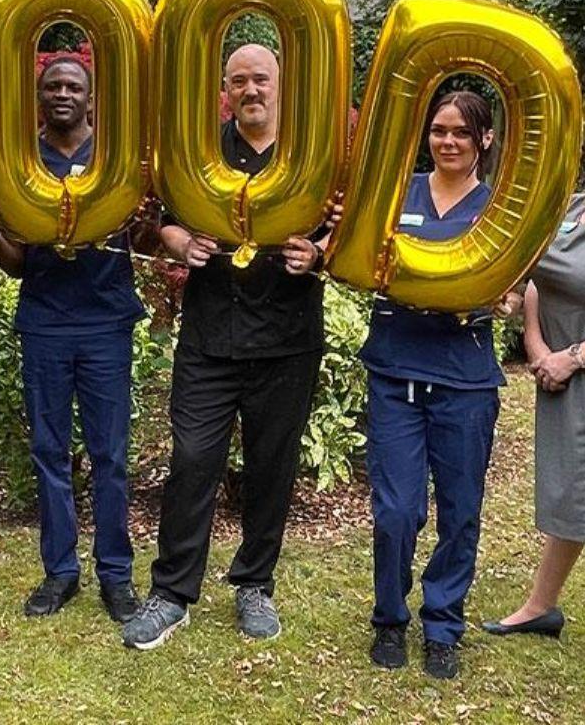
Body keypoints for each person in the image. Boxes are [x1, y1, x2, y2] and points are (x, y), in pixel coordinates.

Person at [123, 44, 331, 650]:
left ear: (281, 86)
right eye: (239, 81)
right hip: (210, 334)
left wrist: (318, 253)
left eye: (260, 79)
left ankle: (254, 586)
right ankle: (171, 593)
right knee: (192, 460)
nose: (251, 91)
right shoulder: (200, 152)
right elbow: (159, 217)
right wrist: (178, 241)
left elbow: (344, 230)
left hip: (287, 338)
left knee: (272, 466)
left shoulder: (313, 156)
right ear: (225, 91)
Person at [0, 56, 145, 623]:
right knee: (49, 452)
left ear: (91, 98)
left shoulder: (120, 159)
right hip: (44, 322)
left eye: (74, 85)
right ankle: (60, 572)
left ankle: (116, 576)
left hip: (106, 324)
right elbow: (19, 266)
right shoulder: (21, 164)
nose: (64, 93)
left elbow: (146, 232)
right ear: (39, 96)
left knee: (110, 455)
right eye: (53, 86)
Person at [360, 90, 515, 680]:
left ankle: (444, 624)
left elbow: (517, 283)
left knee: (460, 512)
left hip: (465, 382)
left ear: (485, 140)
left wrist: (507, 298)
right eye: (438, 130)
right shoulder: (398, 194)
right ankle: (390, 619)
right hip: (396, 373)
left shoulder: (500, 207)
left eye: (460, 132)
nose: (447, 141)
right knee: (396, 511)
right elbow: (361, 256)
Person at [482, 194, 585, 641]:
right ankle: (540, 607)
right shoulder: (570, 207)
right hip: (565, 376)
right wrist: (538, 348)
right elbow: (538, 279)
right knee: (572, 494)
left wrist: (575, 357)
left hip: (574, 365)